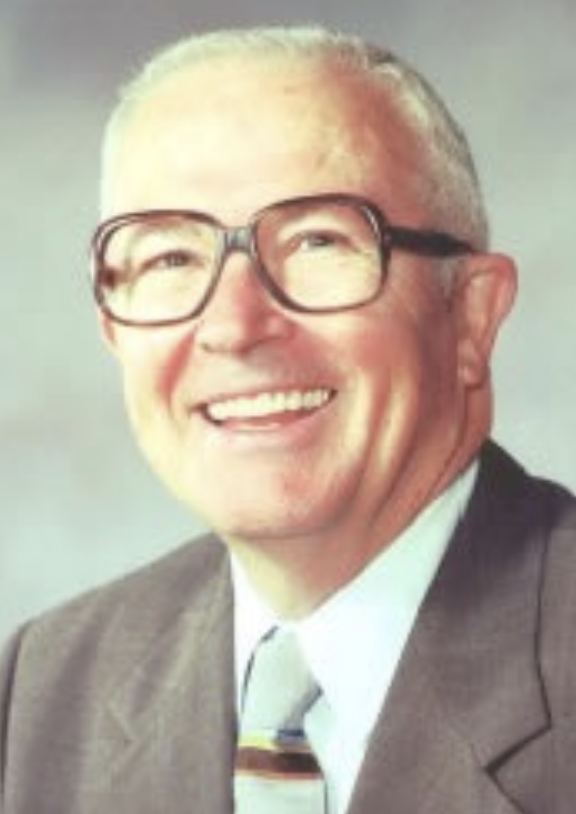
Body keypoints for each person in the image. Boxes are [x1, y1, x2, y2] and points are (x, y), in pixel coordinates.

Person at [1, 24, 575, 814]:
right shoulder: (41, 692)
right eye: (171, 258)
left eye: (317, 241)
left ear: (471, 317)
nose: (235, 326)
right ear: (114, 333)